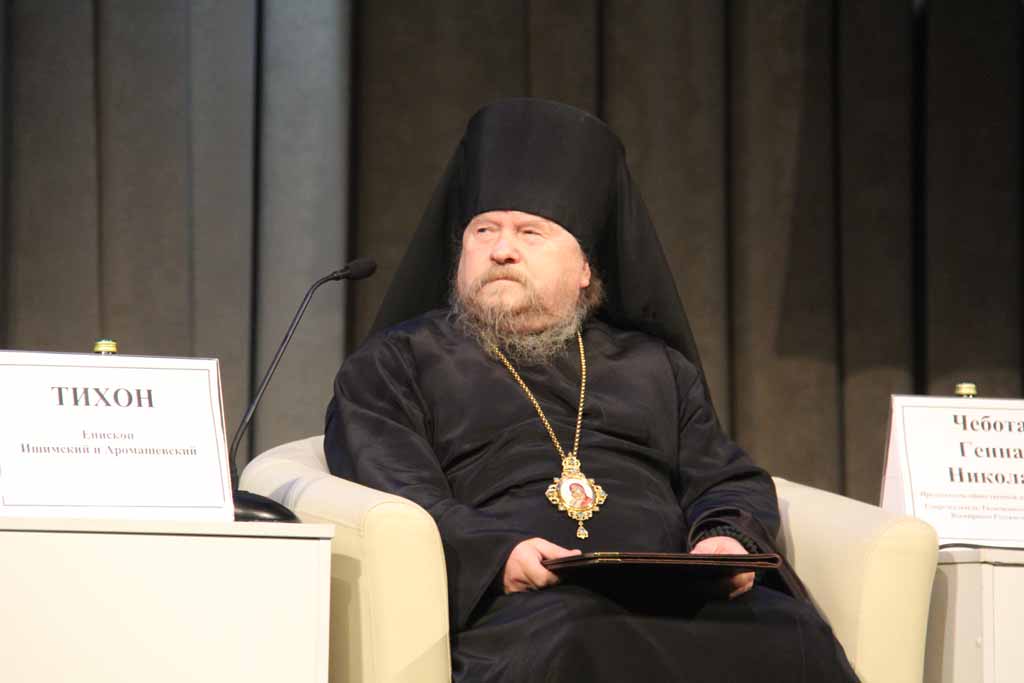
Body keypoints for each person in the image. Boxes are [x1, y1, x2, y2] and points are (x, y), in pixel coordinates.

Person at [325, 98, 858, 682]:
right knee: (584, 634)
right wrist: (499, 553)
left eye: (530, 232)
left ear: (585, 270)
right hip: (523, 607)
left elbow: (725, 477)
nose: (501, 249)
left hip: (674, 592)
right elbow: (400, 491)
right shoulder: (397, 361)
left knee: (794, 634)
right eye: (484, 230)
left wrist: (724, 537)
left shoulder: (655, 366)